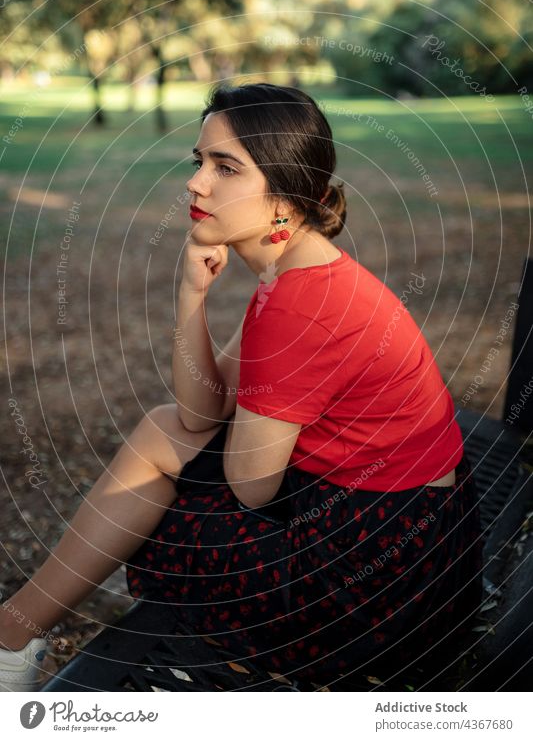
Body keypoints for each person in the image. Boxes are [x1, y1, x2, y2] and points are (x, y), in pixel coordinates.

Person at [0, 82, 483, 692]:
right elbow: (200, 411)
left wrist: (190, 462)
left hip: (377, 577)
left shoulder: (303, 303)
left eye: (225, 167)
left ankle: (10, 638)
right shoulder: (295, 266)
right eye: (198, 162)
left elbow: (251, 487)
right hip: (403, 527)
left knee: (159, 483)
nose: (196, 183)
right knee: (162, 433)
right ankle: (11, 635)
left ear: (283, 192)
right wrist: (191, 297)